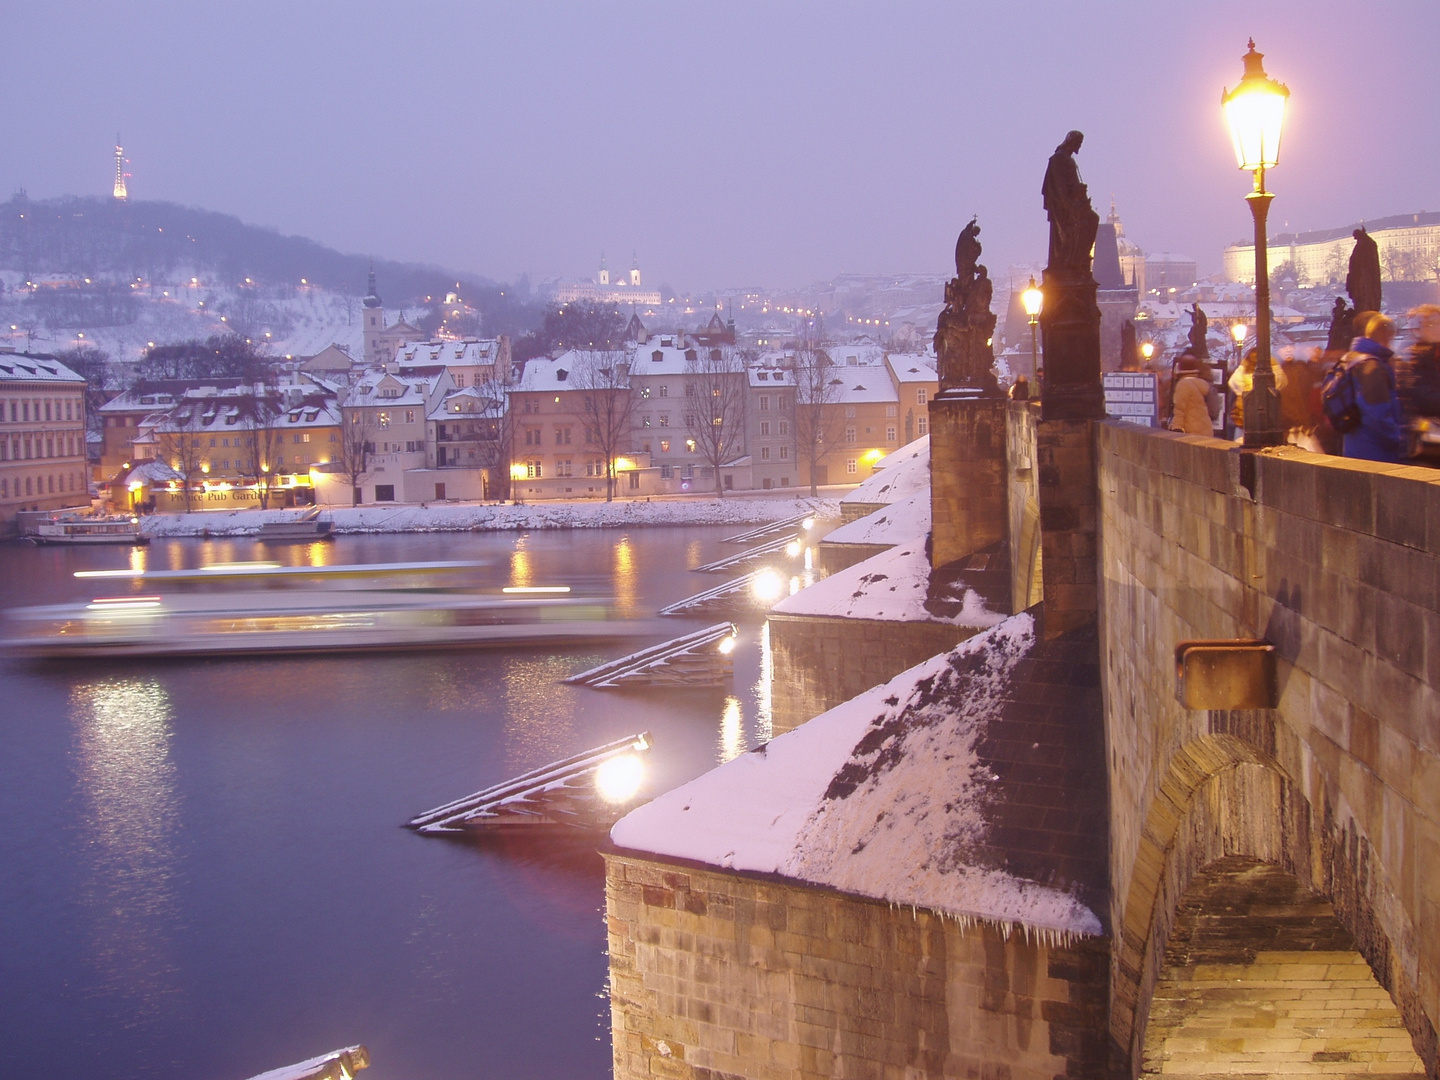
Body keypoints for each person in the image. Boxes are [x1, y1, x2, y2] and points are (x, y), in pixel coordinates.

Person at [1340, 312, 1405, 463]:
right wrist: (1397, 439)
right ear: (1386, 337)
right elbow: (1377, 413)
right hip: (1375, 450)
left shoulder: (1352, 358)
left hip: (1355, 443)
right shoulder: (1373, 366)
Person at [1227, 347, 1289, 438]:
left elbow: (1233, 382)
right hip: (1266, 415)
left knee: (1241, 441)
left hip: (1244, 416)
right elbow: (1282, 381)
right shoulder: (1270, 373)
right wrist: (1275, 364)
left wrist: (1242, 365)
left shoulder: (1243, 372)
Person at [1169, 353, 1214, 436]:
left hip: (1191, 430)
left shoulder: (1183, 384)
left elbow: (1179, 409)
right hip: (1206, 429)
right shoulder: (1203, 383)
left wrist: (1177, 427)